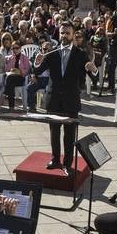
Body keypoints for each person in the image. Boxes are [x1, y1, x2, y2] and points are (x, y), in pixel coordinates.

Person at [34, 24, 97, 173]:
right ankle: (55, 159)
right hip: (53, 99)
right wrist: (37, 61)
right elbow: (37, 70)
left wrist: (93, 69)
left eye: (67, 33)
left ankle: (67, 164)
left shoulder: (80, 54)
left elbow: (92, 75)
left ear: (73, 35)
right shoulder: (52, 52)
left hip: (71, 101)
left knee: (69, 136)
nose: (64, 35)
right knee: (54, 133)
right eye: (62, 33)